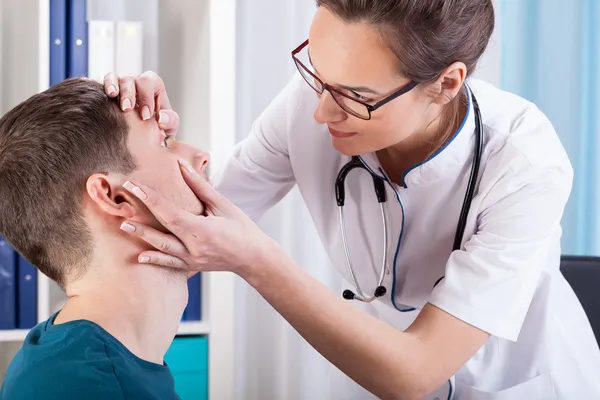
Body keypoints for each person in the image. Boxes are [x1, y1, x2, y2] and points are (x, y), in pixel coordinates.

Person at [105, 0, 600, 399]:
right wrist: (138, 137)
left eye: (355, 95)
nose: (321, 111)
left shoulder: (523, 159)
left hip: (515, 385)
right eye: (317, 74)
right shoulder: (314, 101)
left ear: (446, 84)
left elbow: (413, 374)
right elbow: (195, 225)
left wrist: (256, 260)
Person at [0, 78, 210, 399]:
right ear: (114, 197)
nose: (201, 155)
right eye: (165, 143)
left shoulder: (80, 362)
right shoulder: (83, 386)